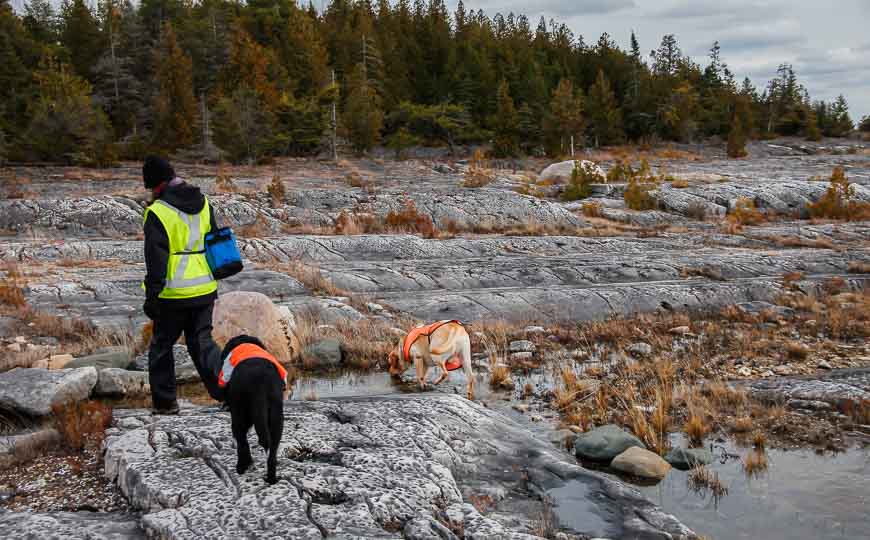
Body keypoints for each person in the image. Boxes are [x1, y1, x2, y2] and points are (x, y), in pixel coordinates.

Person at [142, 156, 223, 414]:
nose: (149, 192)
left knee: (161, 348)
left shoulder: (158, 212)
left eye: (149, 187)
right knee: (203, 344)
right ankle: (228, 393)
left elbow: (156, 261)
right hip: (204, 288)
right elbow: (214, 242)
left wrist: (152, 297)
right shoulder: (204, 203)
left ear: (157, 184)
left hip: (173, 293)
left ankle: (165, 404)